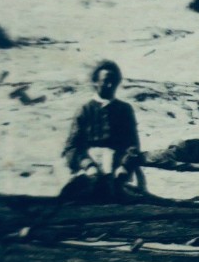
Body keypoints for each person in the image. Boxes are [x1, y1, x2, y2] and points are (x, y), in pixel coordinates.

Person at [61, 59, 144, 198]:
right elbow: (71, 147)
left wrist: (124, 166)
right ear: (95, 82)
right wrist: (87, 165)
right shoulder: (85, 110)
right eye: (105, 81)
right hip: (88, 167)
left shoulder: (124, 109)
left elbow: (132, 145)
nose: (110, 85)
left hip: (116, 168)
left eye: (113, 81)